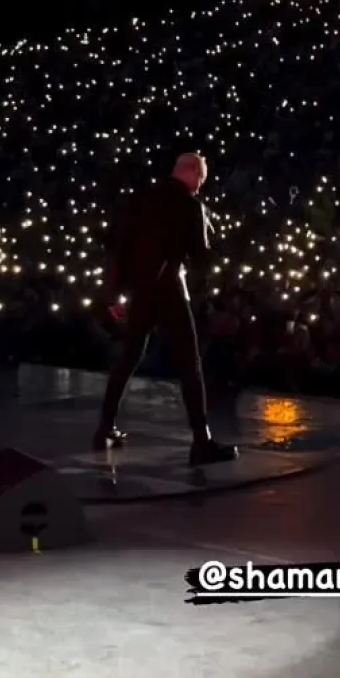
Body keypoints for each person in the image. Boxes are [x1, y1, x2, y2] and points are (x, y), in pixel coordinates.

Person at [93, 153, 239, 466]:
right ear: (194, 174)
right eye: (202, 179)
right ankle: (202, 441)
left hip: (140, 291)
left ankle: (104, 427)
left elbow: (116, 244)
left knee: (130, 355)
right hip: (171, 290)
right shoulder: (191, 205)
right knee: (190, 363)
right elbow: (201, 257)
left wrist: (116, 291)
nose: (201, 185)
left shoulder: (140, 199)